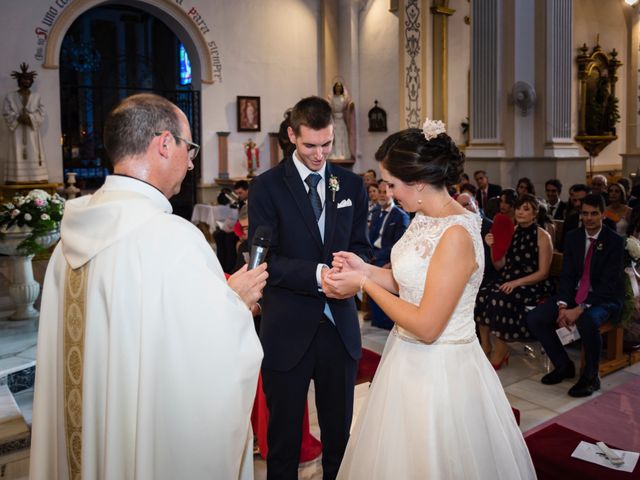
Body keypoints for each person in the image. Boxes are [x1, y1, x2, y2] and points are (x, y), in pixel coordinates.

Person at [29, 94, 268, 479]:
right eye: (189, 148)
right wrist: (237, 304)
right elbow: (200, 365)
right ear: (164, 144)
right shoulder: (171, 238)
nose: (191, 163)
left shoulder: (67, 242)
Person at [325, 123, 536, 479]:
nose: (388, 192)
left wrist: (362, 283)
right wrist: (368, 269)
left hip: (442, 370)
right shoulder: (424, 217)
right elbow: (405, 281)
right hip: (404, 359)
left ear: (419, 182)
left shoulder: (455, 234)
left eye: (392, 184)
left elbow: (426, 325)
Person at [248, 96, 371, 480]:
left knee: (339, 438)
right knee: (283, 443)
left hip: (339, 329)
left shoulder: (351, 184)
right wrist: (319, 275)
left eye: (327, 144)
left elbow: (362, 247)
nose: (320, 155)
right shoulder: (266, 187)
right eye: (310, 146)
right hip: (287, 329)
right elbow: (263, 259)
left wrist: (353, 273)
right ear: (291, 136)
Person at [527, 194, 625, 397]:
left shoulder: (614, 242)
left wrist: (579, 309)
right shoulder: (574, 237)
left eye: (594, 214)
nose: (589, 218)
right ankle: (563, 366)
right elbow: (568, 275)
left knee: (587, 321)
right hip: (573, 295)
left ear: (603, 215)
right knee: (535, 318)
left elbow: (608, 285)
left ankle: (591, 376)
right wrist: (563, 305)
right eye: (585, 213)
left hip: (603, 298)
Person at [475, 194, 553, 367]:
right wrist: (493, 247)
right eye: (518, 208)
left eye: (526, 209)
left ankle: (501, 349)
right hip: (509, 280)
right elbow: (499, 266)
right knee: (482, 294)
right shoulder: (512, 231)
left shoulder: (542, 236)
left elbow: (543, 273)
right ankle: (486, 345)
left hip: (532, 284)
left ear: (535, 214)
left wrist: (516, 283)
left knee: (499, 298)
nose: (520, 212)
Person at [368, 180, 409, 329]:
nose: (381, 195)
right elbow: (370, 238)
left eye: (385, 192)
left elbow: (399, 245)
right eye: (379, 192)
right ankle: (376, 322)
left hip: (387, 258)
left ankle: (386, 324)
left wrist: (389, 262)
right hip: (373, 255)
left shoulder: (400, 216)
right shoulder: (376, 212)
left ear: (392, 193)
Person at [2, 63, 49, 183]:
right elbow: (6, 112)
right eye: (23, 79)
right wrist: (17, 117)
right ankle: (15, 178)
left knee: (34, 150)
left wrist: (30, 118)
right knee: (16, 150)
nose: (26, 81)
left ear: (31, 81)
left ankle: (36, 177)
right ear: (19, 80)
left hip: (31, 130)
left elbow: (42, 112)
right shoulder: (10, 96)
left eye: (28, 79)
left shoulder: (37, 97)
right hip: (17, 130)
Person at [328, 82, 355, 161]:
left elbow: (348, 105)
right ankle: (335, 154)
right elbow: (328, 106)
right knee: (335, 137)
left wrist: (351, 104)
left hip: (342, 121)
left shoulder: (344, 98)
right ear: (334, 88)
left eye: (340, 87)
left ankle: (343, 154)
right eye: (337, 87)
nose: (338, 88)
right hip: (334, 120)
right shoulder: (331, 98)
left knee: (343, 137)